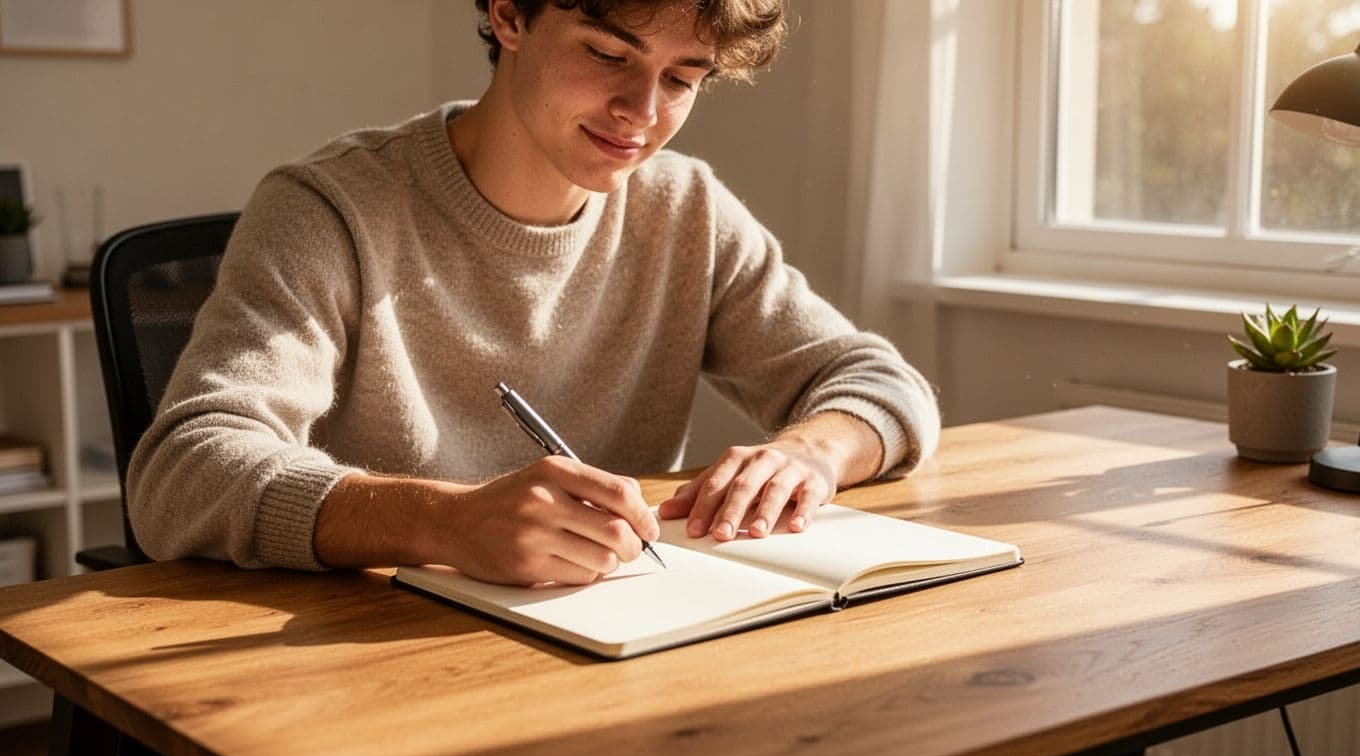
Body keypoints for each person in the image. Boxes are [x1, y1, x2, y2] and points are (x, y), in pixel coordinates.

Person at [127, 0, 941, 587]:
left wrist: (811, 452)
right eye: (608, 55)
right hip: (364, 660)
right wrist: (442, 522)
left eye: (682, 79)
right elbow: (182, 474)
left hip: (609, 647)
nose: (643, 115)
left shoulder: (683, 207)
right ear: (509, 15)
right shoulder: (329, 210)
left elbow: (881, 383)